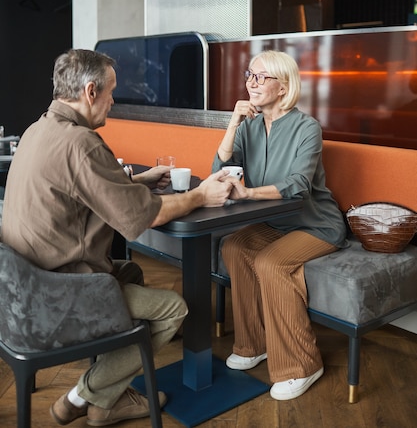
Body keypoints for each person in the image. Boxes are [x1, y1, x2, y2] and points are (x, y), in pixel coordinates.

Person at [2, 48, 232, 427]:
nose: (113, 101)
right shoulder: (82, 143)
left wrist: (137, 180)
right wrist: (202, 195)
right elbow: (148, 215)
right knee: (175, 309)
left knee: (132, 274)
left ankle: (109, 398)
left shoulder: (38, 129)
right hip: (59, 291)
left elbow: (78, 188)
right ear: (90, 92)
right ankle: (82, 397)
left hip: (23, 286)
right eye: (111, 92)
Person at [212, 50, 347, 401]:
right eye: (249, 75)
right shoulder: (250, 127)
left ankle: (302, 364)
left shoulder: (307, 128)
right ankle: (253, 344)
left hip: (314, 223)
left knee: (270, 263)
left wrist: (249, 194)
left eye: (260, 77)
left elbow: (298, 185)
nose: (250, 83)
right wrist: (232, 124)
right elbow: (221, 171)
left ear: (283, 86)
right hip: (270, 221)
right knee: (233, 246)